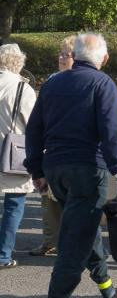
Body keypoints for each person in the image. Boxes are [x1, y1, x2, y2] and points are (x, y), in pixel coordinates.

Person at [25, 33, 117, 298]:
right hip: (87, 169)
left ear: (74, 55)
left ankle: (109, 290)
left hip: (56, 169)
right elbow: (112, 132)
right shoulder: (102, 84)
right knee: (75, 241)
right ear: (105, 58)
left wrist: (37, 169)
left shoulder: (53, 83)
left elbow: (34, 129)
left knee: (84, 229)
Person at [29, 35, 76, 257]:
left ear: (76, 57)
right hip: (51, 147)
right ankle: (50, 241)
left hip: (75, 152)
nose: (60, 57)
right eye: (60, 53)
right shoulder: (52, 80)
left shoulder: (86, 80)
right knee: (48, 201)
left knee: (74, 203)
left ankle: (72, 245)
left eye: (65, 54)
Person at [0, 44, 36, 269]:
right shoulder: (24, 89)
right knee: (14, 204)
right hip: (12, 152)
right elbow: (34, 126)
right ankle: (3, 254)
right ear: (19, 63)